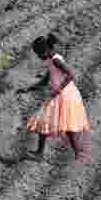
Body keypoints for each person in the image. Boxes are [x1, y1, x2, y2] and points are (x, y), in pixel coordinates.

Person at [17, 34, 90, 162]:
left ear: (44, 50)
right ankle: (76, 153)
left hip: (66, 95)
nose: (38, 57)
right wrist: (28, 89)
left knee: (50, 123)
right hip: (62, 94)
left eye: (38, 54)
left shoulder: (56, 60)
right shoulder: (50, 60)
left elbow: (71, 74)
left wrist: (59, 89)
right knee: (57, 124)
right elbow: (45, 80)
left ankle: (44, 153)